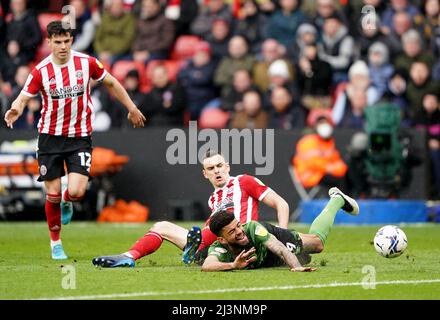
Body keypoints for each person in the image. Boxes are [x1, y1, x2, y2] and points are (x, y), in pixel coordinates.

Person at [3, 21, 146, 260]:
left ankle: (68, 201)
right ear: (48, 42)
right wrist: (15, 109)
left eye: (66, 41)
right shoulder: (41, 70)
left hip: (79, 136)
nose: (62, 46)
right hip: (49, 138)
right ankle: (55, 243)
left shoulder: (86, 63)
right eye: (57, 42)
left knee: (77, 191)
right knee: (53, 193)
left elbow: (111, 82)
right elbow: (23, 96)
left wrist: (131, 108)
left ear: (71, 41)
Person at [92, 150, 292, 267]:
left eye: (220, 166)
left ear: (228, 167)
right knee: (161, 226)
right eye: (211, 169)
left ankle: (194, 247)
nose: (217, 171)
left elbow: (281, 203)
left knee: (209, 231)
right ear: (205, 174)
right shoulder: (213, 199)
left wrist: (281, 234)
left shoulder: (244, 181)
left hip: (244, 238)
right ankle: (129, 257)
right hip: (219, 245)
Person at [202, 187, 359, 271]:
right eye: (232, 232)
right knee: (304, 256)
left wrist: (297, 268)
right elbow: (207, 266)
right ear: (221, 240)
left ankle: (337, 200)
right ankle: (301, 256)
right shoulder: (218, 248)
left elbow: (279, 248)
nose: (239, 231)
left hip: (276, 238)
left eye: (238, 225)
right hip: (268, 260)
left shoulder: (252, 229)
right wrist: (232, 265)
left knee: (317, 244)